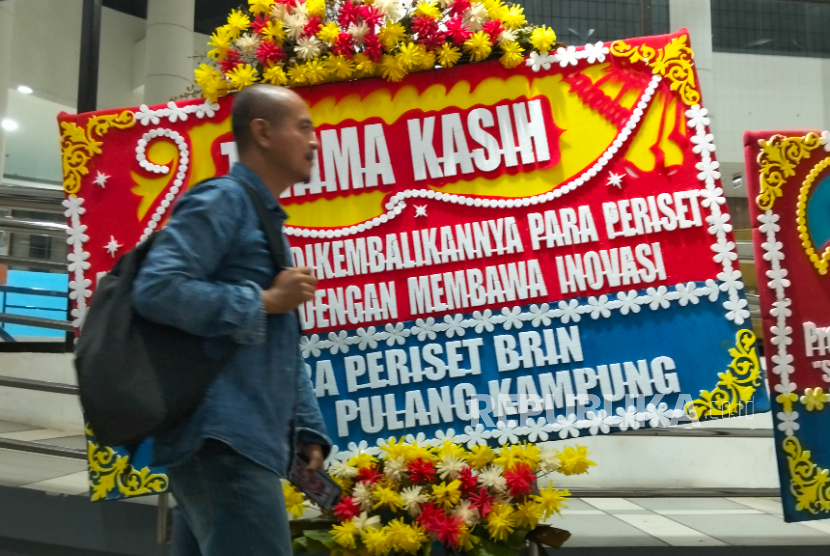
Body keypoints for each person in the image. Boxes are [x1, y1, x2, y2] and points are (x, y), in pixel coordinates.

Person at [132, 84, 329, 556]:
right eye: (303, 127)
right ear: (261, 132)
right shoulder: (224, 200)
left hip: (240, 442)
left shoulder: (263, 217)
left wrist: (305, 428)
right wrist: (261, 300)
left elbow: (275, 343)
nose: (315, 140)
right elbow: (156, 289)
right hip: (224, 443)